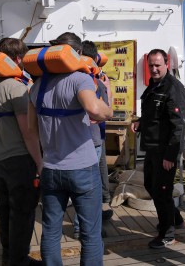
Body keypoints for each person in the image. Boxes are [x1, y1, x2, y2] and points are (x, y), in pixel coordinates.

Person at [28, 32, 113, 265]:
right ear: (77, 54)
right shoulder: (80, 79)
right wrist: (108, 109)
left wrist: (40, 163)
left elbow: (30, 129)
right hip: (82, 168)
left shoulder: (36, 87)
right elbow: (94, 109)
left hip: (51, 169)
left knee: (51, 231)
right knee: (90, 233)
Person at [0, 38, 43, 266]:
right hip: (19, 160)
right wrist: (40, 162)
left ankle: (8, 256)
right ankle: (19, 259)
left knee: (4, 209)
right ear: (17, 60)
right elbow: (28, 132)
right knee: (22, 211)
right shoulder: (16, 88)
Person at [131, 49, 185, 249]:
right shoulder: (154, 86)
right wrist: (140, 122)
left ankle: (167, 233)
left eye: (157, 65)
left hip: (165, 152)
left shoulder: (173, 88)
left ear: (167, 63)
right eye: (151, 66)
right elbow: (154, 115)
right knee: (149, 185)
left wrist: (171, 155)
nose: (154, 69)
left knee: (162, 192)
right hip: (152, 148)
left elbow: (178, 125)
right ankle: (175, 219)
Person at [72, 40, 114, 240]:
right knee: (89, 187)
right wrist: (108, 89)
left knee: (88, 184)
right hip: (93, 139)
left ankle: (90, 220)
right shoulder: (94, 80)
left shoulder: (75, 77)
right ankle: (82, 228)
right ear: (95, 58)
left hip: (83, 138)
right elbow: (105, 111)